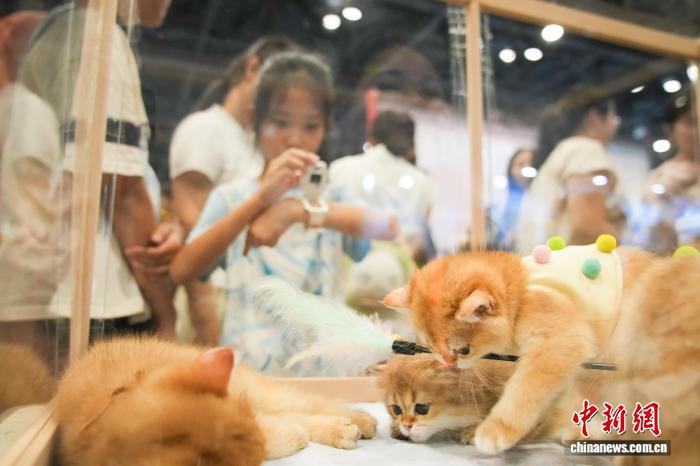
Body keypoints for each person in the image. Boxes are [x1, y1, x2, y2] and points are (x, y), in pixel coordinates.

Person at [170, 52, 398, 375]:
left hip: (325, 377)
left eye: (311, 126)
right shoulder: (233, 197)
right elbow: (182, 271)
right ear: (255, 119)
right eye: (280, 123)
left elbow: (387, 226)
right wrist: (259, 201)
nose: (295, 138)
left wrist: (298, 211)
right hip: (251, 376)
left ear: (325, 128)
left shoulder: (331, 197)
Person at [20, 0, 180, 338]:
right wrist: (166, 312)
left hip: (51, 290)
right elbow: (121, 192)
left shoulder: (64, 28)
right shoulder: (98, 37)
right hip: (90, 300)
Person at [169, 36, 297, 344]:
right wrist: (204, 312)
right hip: (215, 294)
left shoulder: (252, 142)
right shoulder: (205, 128)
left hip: (249, 298)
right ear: (253, 69)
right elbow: (192, 225)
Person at [516, 87, 625, 253]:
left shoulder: (564, 151)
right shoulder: (587, 150)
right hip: (570, 263)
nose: (615, 125)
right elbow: (587, 225)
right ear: (594, 117)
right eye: (613, 118)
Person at [330, 110, 434, 261]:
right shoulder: (424, 182)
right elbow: (421, 236)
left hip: (346, 264)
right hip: (402, 265)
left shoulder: (340, 168)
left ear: (371, 138)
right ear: (411, 144)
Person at [638, 96, 700, 252]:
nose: (697, 130)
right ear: (670, 129)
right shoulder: (660, 177)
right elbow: (654, 234)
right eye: (691, 122)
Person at [495, 148, 534, 250]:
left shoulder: (541, 197)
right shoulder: (501, 198)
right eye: (520, 164)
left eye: (531, 164)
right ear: (511, 169)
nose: (526, 168)